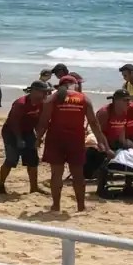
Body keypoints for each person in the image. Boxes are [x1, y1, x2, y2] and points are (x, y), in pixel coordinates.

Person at [36, 75, 108, 212]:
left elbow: (43, 122)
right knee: (78, 174)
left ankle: (56, 205)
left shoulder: (53, 98)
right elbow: (93, 122)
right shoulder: (83, 98)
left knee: (56, 174)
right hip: (75, 140)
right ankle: (81, 206)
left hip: (55, 139)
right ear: (74, 85)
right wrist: (100, 140)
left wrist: (38, 138)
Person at [0, 80, 51, 195]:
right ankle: (0, 184)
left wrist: (38, 137)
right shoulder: (20, 103)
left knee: (33, 161)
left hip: (28, 132)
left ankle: (34, 187)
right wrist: (19, 139)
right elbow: (13, 122)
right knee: (11, 160)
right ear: (34, 91)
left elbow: (39, 122)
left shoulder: (42, 103)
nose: (46, 95)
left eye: (47, 92)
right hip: (11, 132)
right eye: (43, 92)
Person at [96, 89, 133, 156]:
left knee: (132, 149)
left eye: (129, 100)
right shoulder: (104, 112)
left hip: (120, 140)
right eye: (125, 100)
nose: (128, 103)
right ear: (116, 101)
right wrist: (107, 149)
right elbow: (99, 132)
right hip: (104, 140)